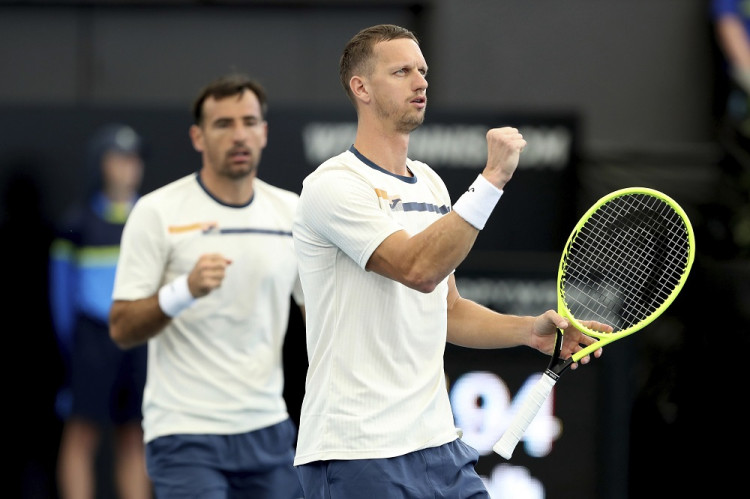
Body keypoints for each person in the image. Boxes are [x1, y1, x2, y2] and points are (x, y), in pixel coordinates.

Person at [292, 24, 612, 498]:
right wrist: (492, 179)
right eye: (401, 71)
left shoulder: (430, 183)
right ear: (360, 87)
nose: (420, 82)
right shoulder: (332, 185)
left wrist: (528, 332)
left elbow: (446, 309)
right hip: (358, 453)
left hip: (440, 447)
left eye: (422, 70)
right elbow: (417, 270)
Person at [109, 73, 304, 499]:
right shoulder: (157, 212)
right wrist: (185, 290)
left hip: (268, 429)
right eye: (223, 124)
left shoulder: (293, 214)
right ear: (198, 137)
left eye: (249, 122)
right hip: (184, 433)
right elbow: (122, 327)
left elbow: (323, 316)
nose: (239, 135)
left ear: (264, 132)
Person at [49, 123, 151, 499]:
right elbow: (61, 299)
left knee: (134, 436)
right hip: (92, 343)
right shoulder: (77, 225)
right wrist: (72, 349)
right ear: (101, 164)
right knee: (82, 435)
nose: (129, 167)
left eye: (134, 159)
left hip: (139, 339)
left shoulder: (152, 219)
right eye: (119, 158)